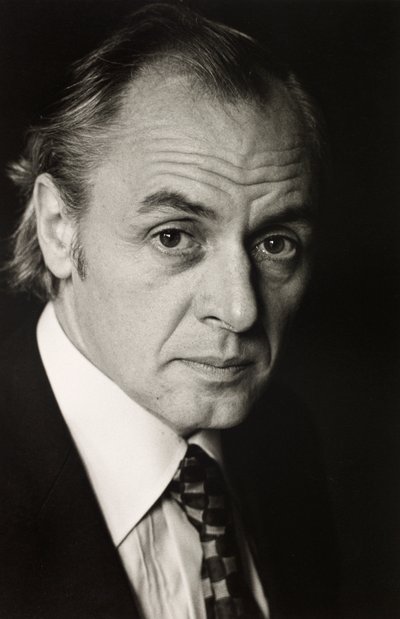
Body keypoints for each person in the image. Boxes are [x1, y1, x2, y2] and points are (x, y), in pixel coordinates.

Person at [0, 3, 338, 618]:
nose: (240, 310)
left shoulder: (284, 440)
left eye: (275, 244)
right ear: (57, 228)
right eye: (174, 236)